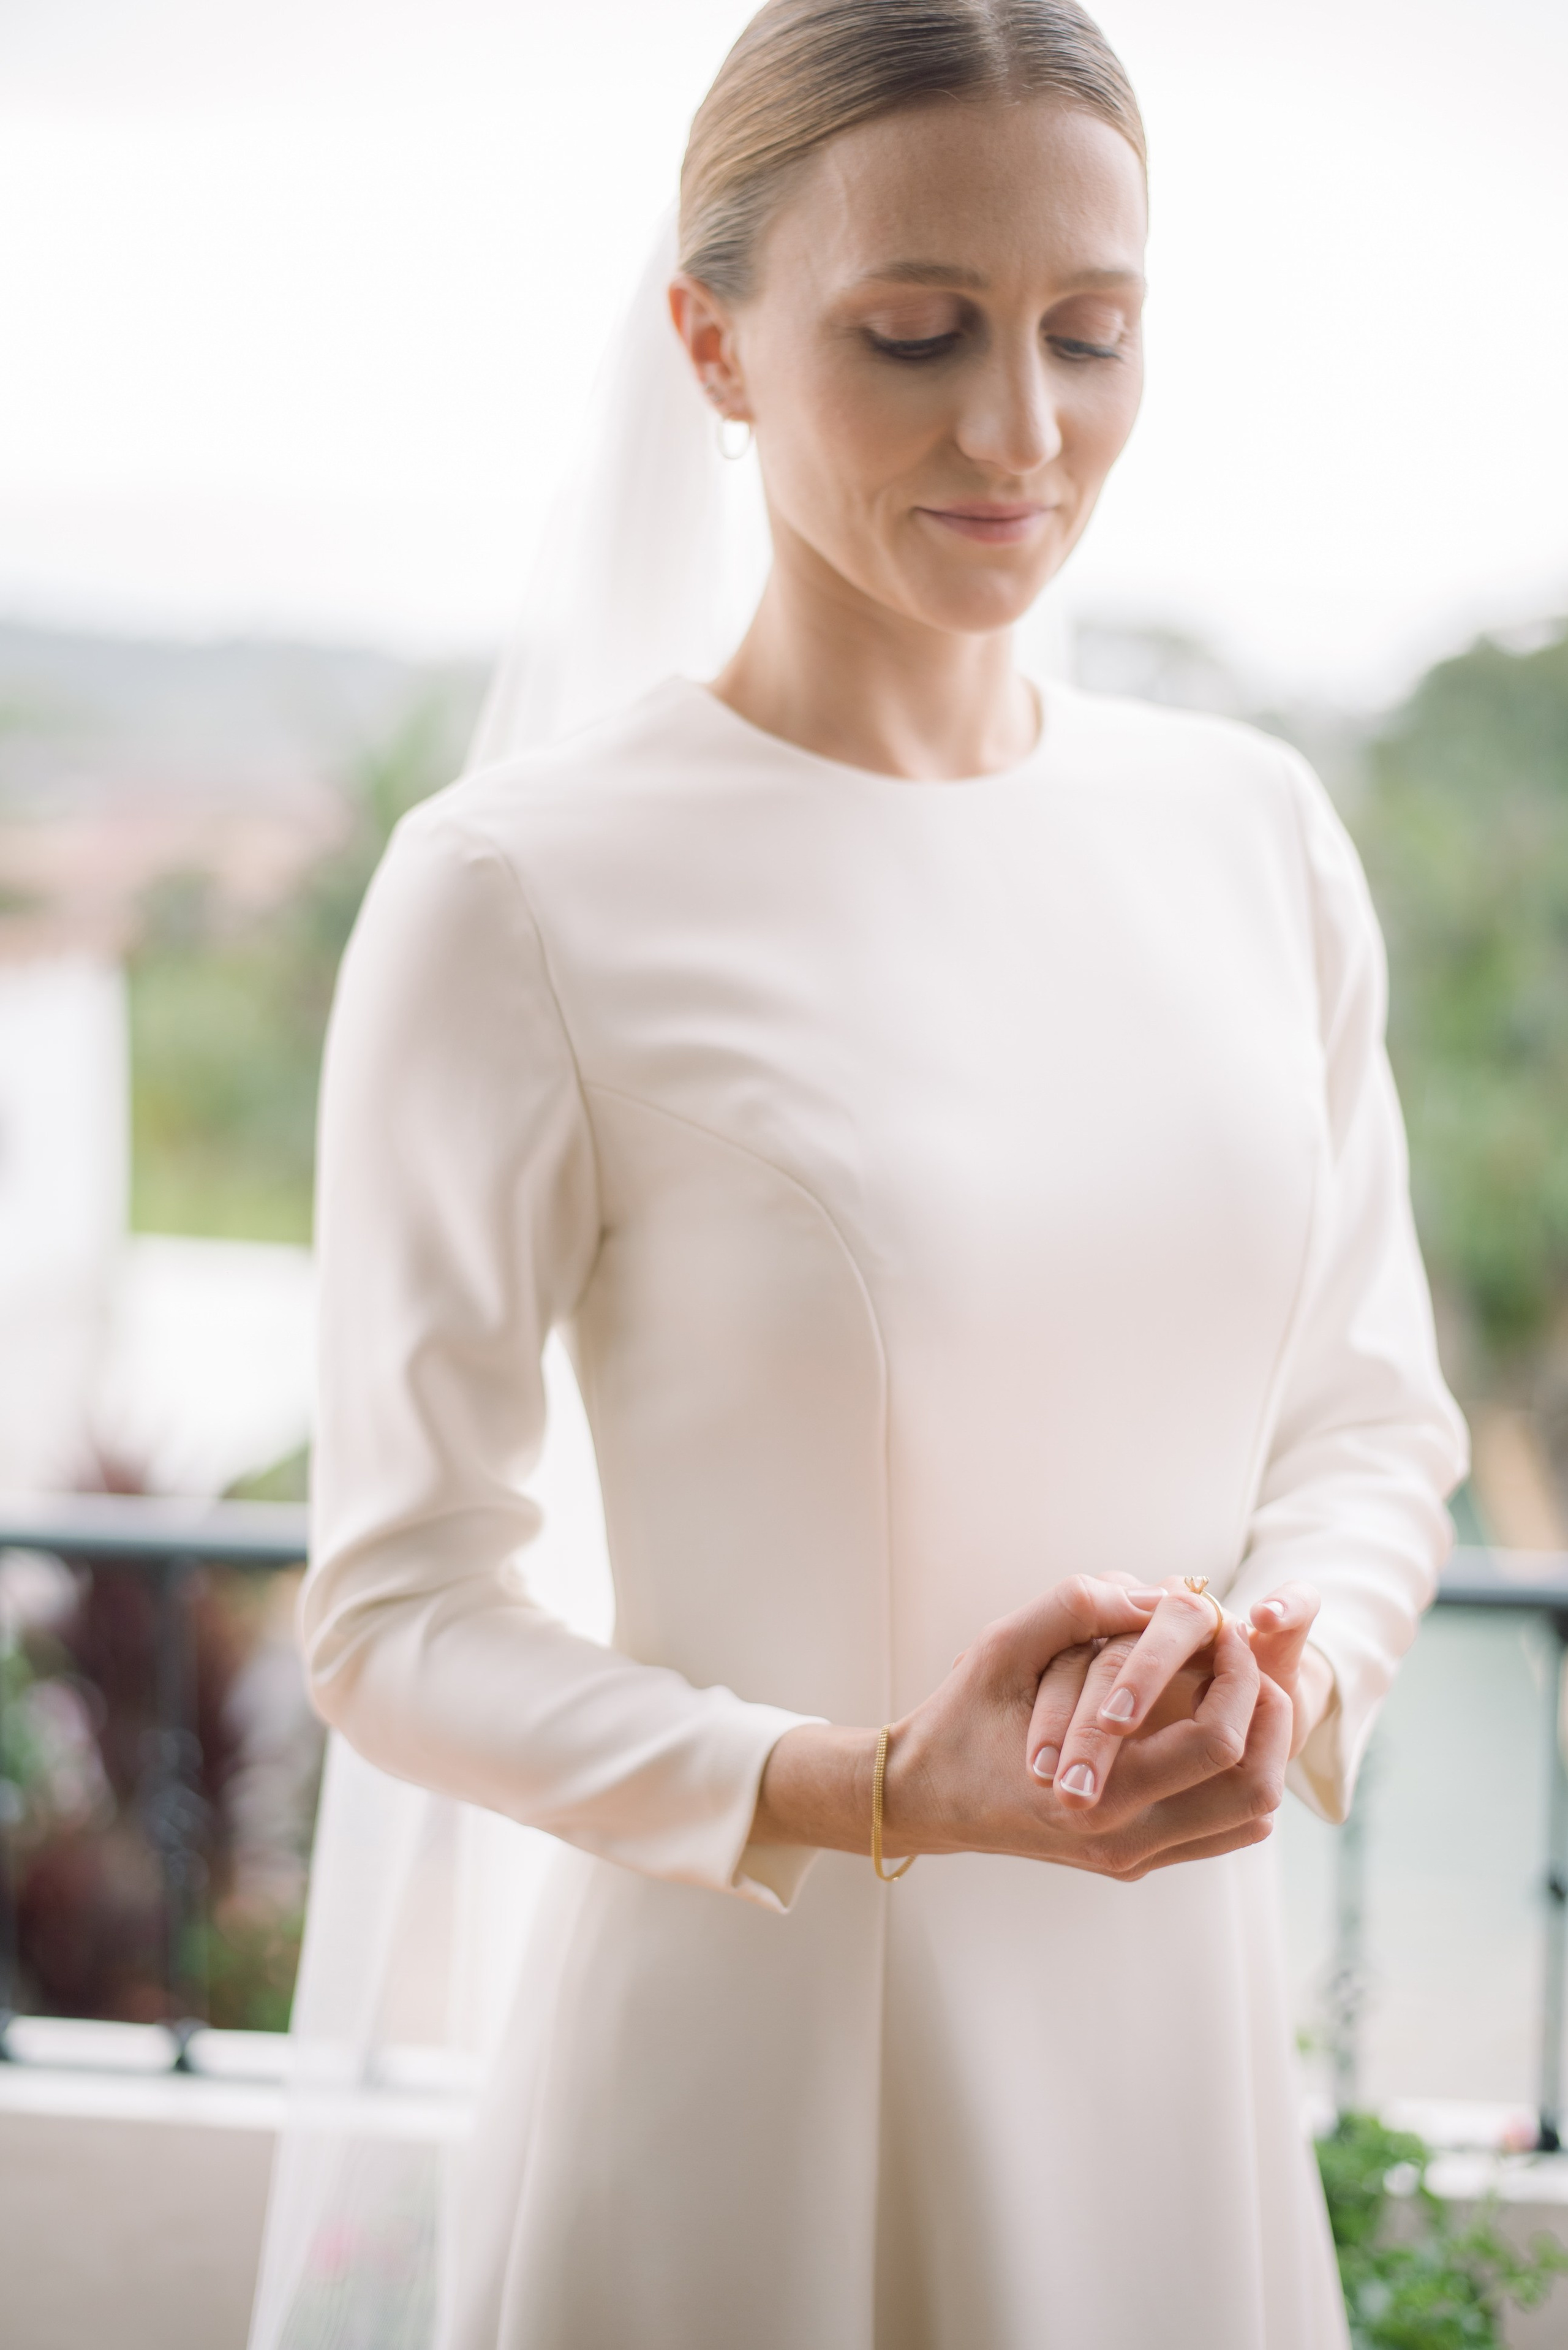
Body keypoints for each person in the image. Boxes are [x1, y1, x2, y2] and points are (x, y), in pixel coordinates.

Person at [300, 4, 1466, 2343]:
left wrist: (1284, 1667)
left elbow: (1370, 1421)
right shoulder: (519, 888)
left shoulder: (1254, 837)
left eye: (1093, 336)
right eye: (916, 334)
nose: (1021, 431)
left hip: (1168, 2062)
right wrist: (874, 1786)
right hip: (759, 2078)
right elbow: (394, 1613)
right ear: (712, 346)